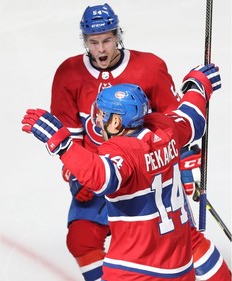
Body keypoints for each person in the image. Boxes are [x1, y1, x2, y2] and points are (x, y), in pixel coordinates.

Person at [50, 3, 231, 280]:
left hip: (144, 172)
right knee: (80, 240)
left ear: (118, 36)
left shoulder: (149, 67)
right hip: (96, 170)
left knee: (180, 236)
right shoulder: (68, 74)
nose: (100, 49)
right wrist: (76, 174)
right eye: (93, 42)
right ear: (84, 41)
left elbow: (170, 124)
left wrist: (183, 166)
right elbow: (72, 135)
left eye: (107, 40)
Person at [22, 64, 220, 280]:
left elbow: (103, 177)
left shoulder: (123, 151)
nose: (97, 121)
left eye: (101, 115)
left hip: (135, 270)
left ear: (115, 122)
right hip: (180, 268)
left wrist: (64, 145)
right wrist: (198, 86)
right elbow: (193, 119)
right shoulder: (166, 130)